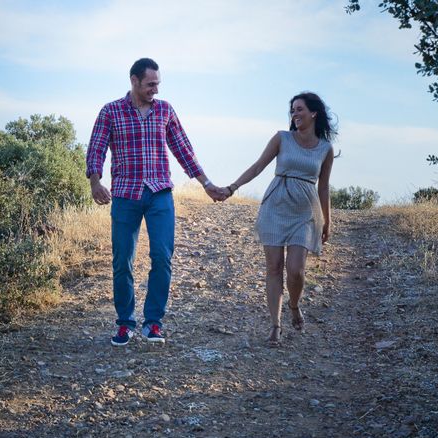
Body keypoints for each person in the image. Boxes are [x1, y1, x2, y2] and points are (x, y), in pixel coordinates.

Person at [86, 57, 226, 346]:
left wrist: (207, 184)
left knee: (162, 258)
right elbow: (96, 148)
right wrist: (95, 182)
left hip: (160, 194)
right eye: (151, 84)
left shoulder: (165, 110)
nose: (156, 90)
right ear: (134, 81)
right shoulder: (111, 111)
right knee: (122, 261)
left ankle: (153, 323)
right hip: (125, 195)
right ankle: (125, 324)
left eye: (158, 84)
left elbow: (183, 149)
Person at [223, 92, 336, 346]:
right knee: (273, 268)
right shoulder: (282, 138)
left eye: (299, 109)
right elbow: (257, 167)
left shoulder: (325, 149)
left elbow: (324, 187)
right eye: (292, 111)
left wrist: (327, 221)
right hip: (276, 205)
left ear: (313, 113)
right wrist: (232, 188)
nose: (295, 114)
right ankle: (275, 325)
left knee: (295, 270)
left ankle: (294, 306)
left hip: (305, 211)